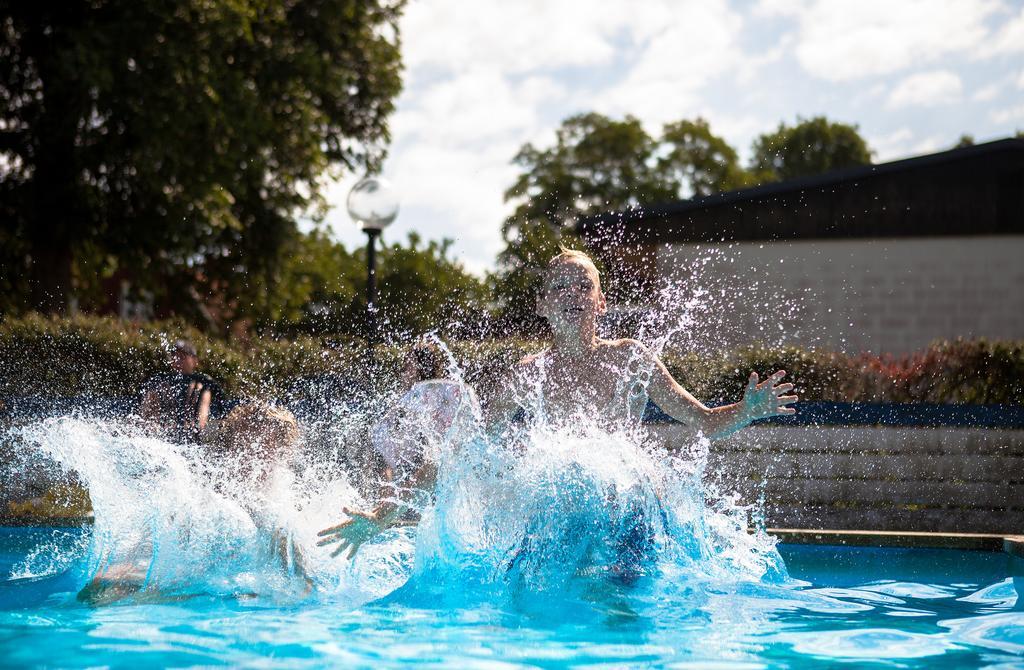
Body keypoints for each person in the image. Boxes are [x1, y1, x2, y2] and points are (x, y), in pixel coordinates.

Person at [488, 248, 797, 436]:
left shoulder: (630, 359)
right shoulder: (525, 375)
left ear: (601, 303)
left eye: (584, 285)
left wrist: (746, 410)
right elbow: (481, 448)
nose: (572, 293)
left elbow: (704, 421)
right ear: (541, 305)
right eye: (560, 286)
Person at [78, 401, 309, 604]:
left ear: (280, 453)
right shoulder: (208, 485)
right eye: (248, 441)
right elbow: (162, 531)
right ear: (233, 444)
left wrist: (294, 590)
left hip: (225, 591)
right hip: (193, 574)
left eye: (266, 446)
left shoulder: (281, 502)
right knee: (105, 588)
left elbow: (301, 574)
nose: (255, 453)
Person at [317, 339, 480, 559]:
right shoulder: (458, 393)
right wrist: (379, 515)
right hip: (461, 508)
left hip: (426, 504)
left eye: (407, 367)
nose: (404, 373)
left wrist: (379, 517)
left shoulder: (417, 400)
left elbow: (421, 468)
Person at [138, 339, 223, 441]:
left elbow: (202, 422)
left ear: (195, 361)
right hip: (163, 438)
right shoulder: (161, 385)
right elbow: (148, 420)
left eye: (183, 357)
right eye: (174, 356)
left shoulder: (202, 387)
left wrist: (197, 430)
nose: (177, 360)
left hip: (191, 439)